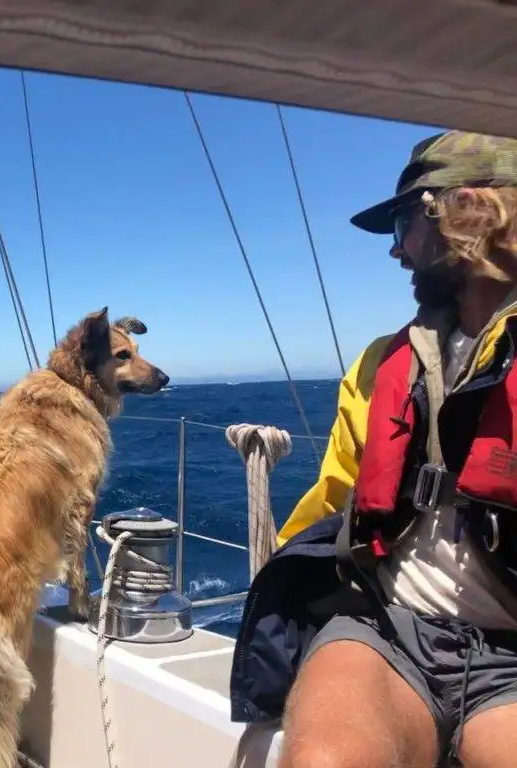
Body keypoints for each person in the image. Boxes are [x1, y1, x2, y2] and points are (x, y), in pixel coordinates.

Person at [230, 131, 517, 768]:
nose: (395, 249)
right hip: (389, 627)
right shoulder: (381, 364)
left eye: (404, 222)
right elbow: (335, 498)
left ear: (469, 212)